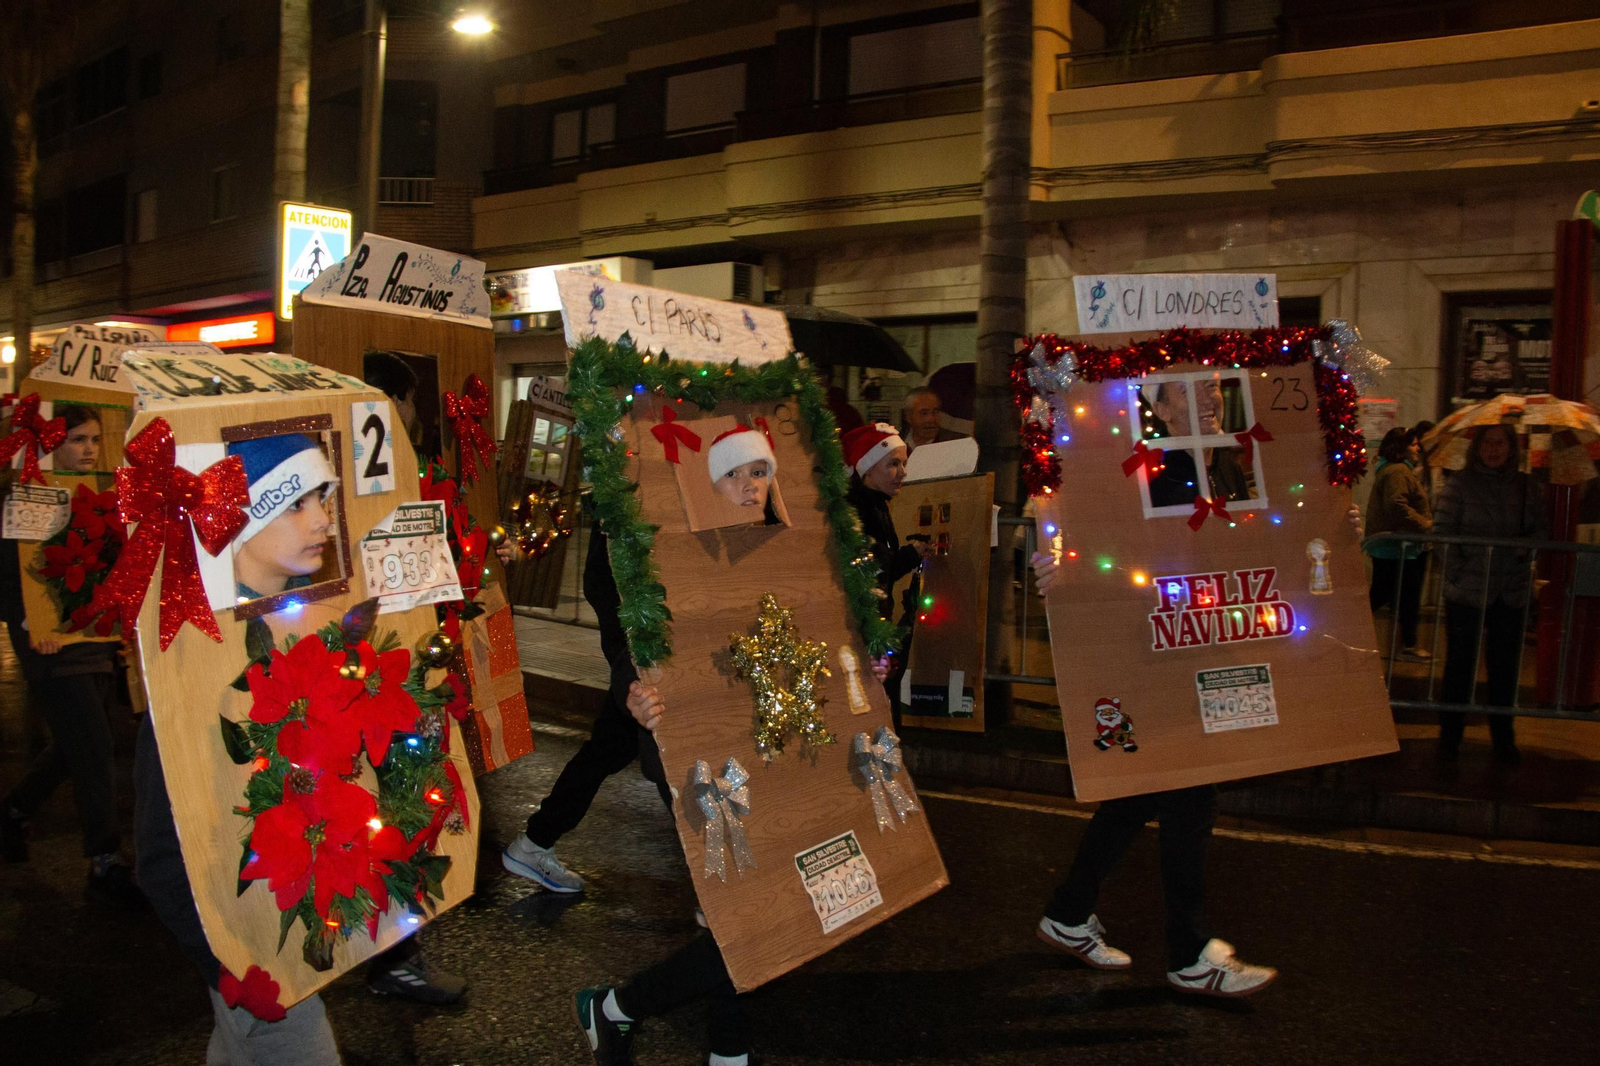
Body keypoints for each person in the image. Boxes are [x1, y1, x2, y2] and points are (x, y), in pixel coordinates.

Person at [136, 433, 353, 1064]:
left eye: (322, 498)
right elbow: (159, 846)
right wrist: (224, 965)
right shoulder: (199, 656)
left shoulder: (298, 624)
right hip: (248, 944)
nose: (322, 520)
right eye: (295, 504)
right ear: (245, 518)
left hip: (276, 925)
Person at [498, 425, 788, 892]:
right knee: (668, 757)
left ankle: (535, 842)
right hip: (648, 659)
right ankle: (724, 898)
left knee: (610, 748)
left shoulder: (726, 529)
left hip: (660, 670)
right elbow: (621, 615)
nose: (750, 484)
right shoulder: (640, 517)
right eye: (735, 473)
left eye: (759, 472)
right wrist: (635, 679)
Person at [1026, 547, 1277, 997]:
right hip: (1147, 647)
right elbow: (1094, 538)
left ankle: (1069, 913)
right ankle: (1189, 953)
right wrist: (1060, 568)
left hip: (1168, 645)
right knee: (1189, 799)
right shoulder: (1134, 484)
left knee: (1135, 796)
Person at [0, 405, 141, 903]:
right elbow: (16, 574)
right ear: (54, 443)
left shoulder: (104, 491)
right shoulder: (29, 496)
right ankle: (104, 863)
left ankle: (14, 812)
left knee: (75, 746)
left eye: (95, 439)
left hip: (95, 642)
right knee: (96, 748)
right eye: (78, 439)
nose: (88, 448)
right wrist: (32, 626)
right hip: (52, 648)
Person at [1433, 423, 1544, 767]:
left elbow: (1539, 529)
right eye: (1487, 443)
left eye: (1500, 443)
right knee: (1459, 668)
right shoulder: (1460, 484)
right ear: (1476, 447)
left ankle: (1504, 740)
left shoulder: (1527, 487)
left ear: (1512, 448)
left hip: (1508, 592)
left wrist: (1525, 553)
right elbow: (1442, 533)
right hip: (1466, 593)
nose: (1493, 449)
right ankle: (1449, 740)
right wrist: (1457, 572)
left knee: (1505, 669)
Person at [843, 423, 932, 727]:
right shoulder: (859, 510)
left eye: (904, 463)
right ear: (867, 468)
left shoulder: (877, 505)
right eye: (893, 464)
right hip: (863, 632)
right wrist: (908, 556)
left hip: (875, 626)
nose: (903, 472)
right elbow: (873, 570)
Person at [1365, 427, 1433, 661]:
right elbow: (1396, 505)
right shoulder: (1398, 472)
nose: (1418, 448)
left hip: (1397, 546)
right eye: (1413, 444)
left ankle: (1408, 643)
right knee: (1394, 595)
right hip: (1398, 547)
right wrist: (1425, 524)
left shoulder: (1395, 470)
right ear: (1400, 447)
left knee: (1397, 595)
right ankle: (1408, 644)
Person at [1144, 379, 1250, 507]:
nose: (1206, 400)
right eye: (1188, 391)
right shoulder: (1155, 482)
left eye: (1211, 386)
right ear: (1162, 410)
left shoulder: (1229, 465)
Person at [900, 386, 964, 454]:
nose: (931, 419)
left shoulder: (955, 445)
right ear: (908, 416)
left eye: (935, 412)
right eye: (924, 413)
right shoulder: (894, 442)